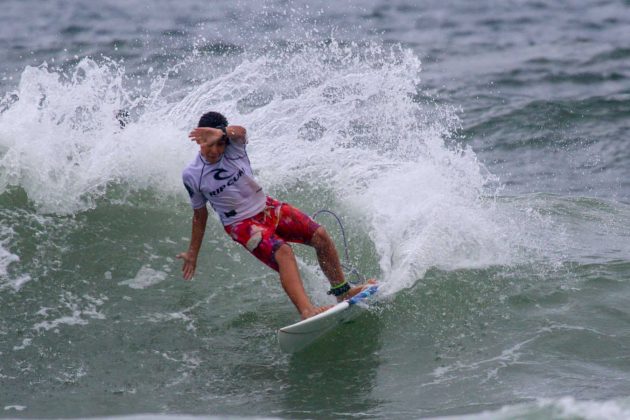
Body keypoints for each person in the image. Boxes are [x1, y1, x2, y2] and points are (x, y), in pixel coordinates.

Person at [177, 111, 367, 319]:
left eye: (219, 144)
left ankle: (343, 291)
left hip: (266, 207)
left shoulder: (235, 147)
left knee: (320, 235)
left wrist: (220, 132)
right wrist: (193, 252)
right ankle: (307, 310)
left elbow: (240, 131)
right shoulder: (192, 174)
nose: (214, 150)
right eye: (208, 145)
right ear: (199, 142)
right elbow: (199, 214)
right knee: (283, 252)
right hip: (240, 224)